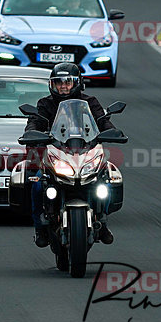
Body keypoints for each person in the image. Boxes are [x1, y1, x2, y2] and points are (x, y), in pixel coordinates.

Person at [25, 62, 116, 247]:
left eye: (68, 82)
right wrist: (32, 134)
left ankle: (103, 220)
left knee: (107, 180)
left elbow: (102, 121)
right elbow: (34, 123)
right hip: (57, 152)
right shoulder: (44, 104)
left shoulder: (90, 102)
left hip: (85, 151)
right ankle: (39, 227)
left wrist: (112, 131)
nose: (64, 86)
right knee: (36, 185)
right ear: (53, 85)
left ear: (77, 83)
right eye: (59, 82)